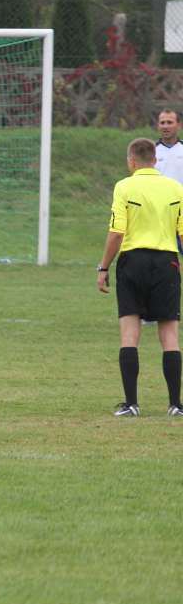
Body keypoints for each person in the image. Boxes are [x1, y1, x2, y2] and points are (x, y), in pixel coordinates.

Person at [97, 138, 183, 418]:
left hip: (132, 262)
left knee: (129, 334)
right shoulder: (175, 188)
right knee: (170, 335)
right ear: (155, 160)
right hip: (166, 262)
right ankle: (175, 404)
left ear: (131, 161)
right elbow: (181, 233)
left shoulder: (124, 186)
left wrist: (103, 267)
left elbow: (117, 232)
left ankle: (132, 404)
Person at [154, 109, 183, 185]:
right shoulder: (150, 150)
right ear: (158, 126)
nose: (165, 126)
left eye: (169, 122)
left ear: (179, 126)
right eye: (162, 123)